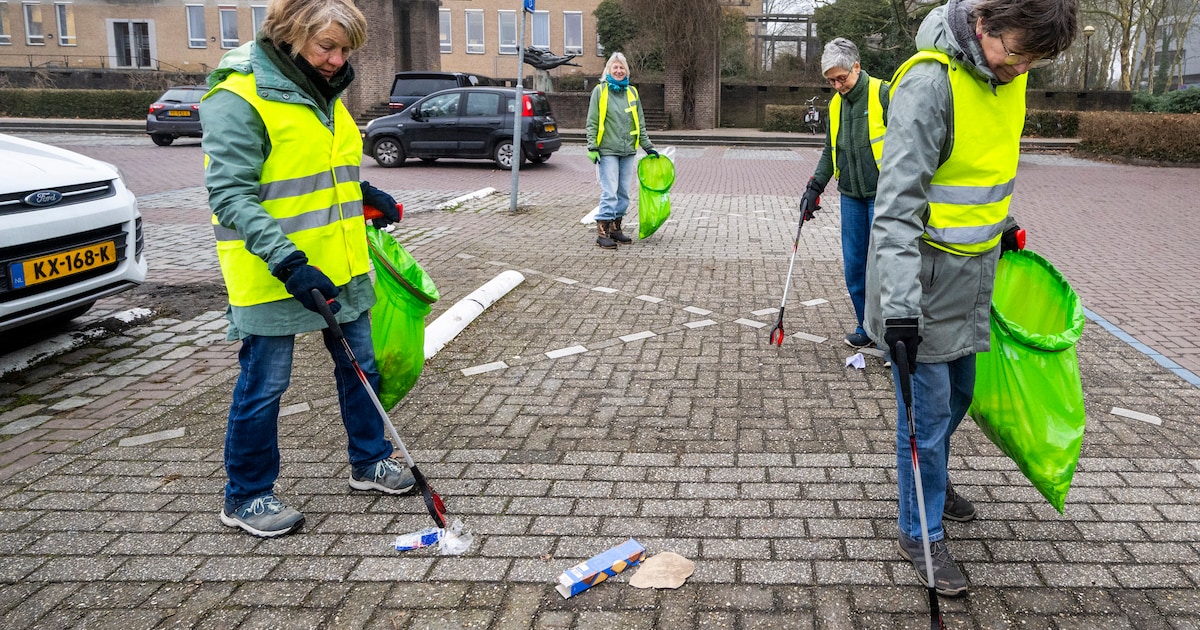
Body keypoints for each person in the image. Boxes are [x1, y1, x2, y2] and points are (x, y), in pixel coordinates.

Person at [864, 0, 1077, 596]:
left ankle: (927, 478)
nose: (1020, 69)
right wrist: (900, 310)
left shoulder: (1009, 73)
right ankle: (920, 529)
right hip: (922, 283)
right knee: (926, 420)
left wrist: (998, 222)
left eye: (1033, 60)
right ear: (984, 23)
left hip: (974, 276)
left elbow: (980, 167)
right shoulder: (929, 86)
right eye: (1015, 53)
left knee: (959, 397)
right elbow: (896, 210)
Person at [202, 0, 408, 538]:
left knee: (361, 368)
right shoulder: (238, 97)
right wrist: (289, 260)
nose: (338, 59)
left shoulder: (325, 95)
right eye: (328, 46)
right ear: (291, 35)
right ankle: (246, 496)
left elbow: (316, 172)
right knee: (265, 385)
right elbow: (230, 194)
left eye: (345, 50)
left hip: (342, 265)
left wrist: (365, 193)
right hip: (275, 272)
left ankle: (370, 462)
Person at [801, 38, 890, 349]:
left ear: (857, 66)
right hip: (851, 194)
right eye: (831, 81)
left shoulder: (883, 93)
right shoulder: (836, 104)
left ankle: (891, 336)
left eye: (842, 78)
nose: (838, 86)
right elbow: (830, 151)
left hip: (884, 195)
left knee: (884, 268)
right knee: (855, 265)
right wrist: (815, 187)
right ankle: (866, 326)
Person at [586, 52, 658, 249]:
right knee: (610, 192)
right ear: (608, 70)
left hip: (628, 151)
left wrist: (648, 146)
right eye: (615, 67)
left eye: (622, 67)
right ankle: (602, 232)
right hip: (607, 150)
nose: (619, 70)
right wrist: (592, 146)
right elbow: (592, 121)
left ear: (626, 71)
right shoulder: (600, 92)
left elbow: (640, 123)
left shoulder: (632, 93)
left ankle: (616, 229)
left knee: (623, 193)